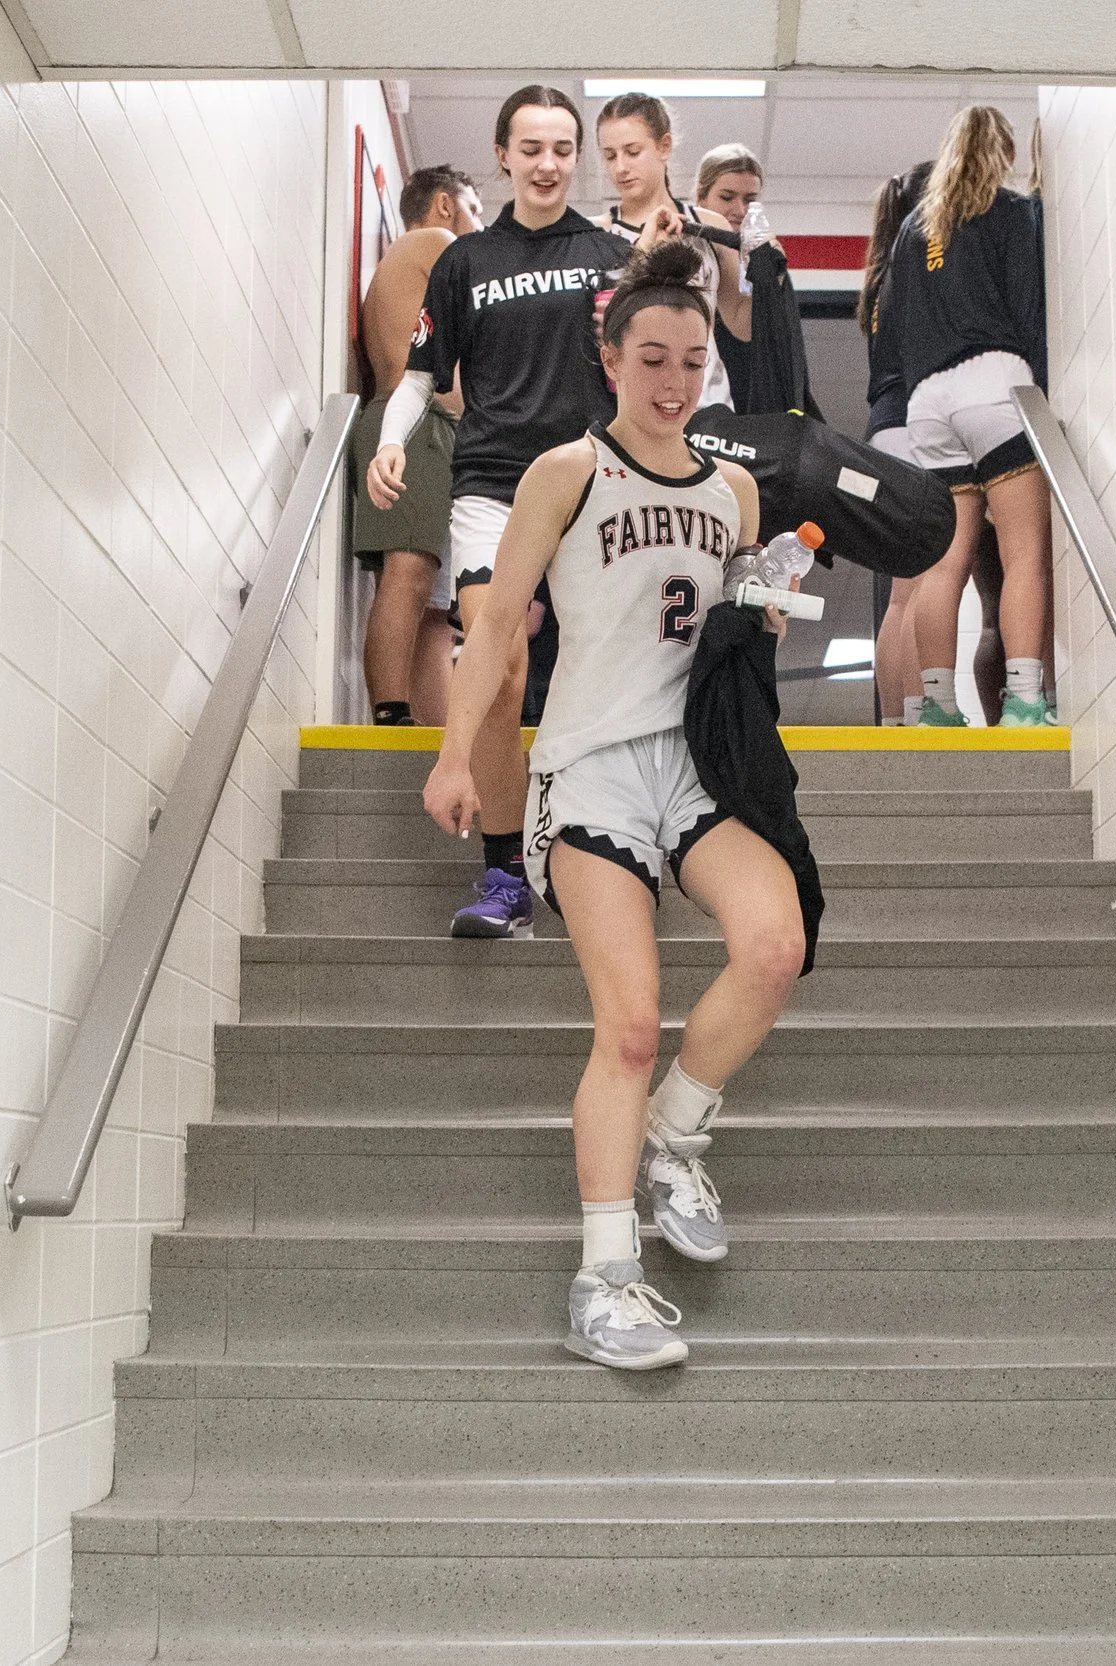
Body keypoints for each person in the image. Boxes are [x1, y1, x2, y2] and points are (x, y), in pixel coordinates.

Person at [422, 240, 805, 1372]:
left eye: (691, 360)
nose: (673, 381)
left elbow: (736, 629)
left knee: (774, 945)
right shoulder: (565, 471)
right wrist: (454, 756)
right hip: (588, 765)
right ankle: (603, 1279)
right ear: (611, 358)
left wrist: (766, 603)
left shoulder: (735, 490)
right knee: (630, 1025)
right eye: (652, 359)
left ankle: (676, 1135)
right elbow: (497, 624)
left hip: (696, 765)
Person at [368, 85, 631, 939]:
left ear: (576, 157)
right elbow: (419, 377)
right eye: (531, 148)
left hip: (590, 483)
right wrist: (391, 442)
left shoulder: (611, 255)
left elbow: (655, 371)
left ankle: (613, 851)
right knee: (500, 667)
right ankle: (506, 874)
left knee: (607, 675)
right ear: (503, 155)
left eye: (562, 149)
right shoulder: (464, 261)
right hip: (489, 486)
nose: (547, 164)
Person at [882, 106, 1054, 727]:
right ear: (1003, 153)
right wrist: (1044, 390)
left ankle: (936, 705)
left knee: (944, 563)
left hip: (927, 403)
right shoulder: (1013, 212)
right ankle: (1024, 701)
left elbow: (896, 327)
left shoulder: (912, 230)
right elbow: (1030, 309)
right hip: (994, 385)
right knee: (1024, 553)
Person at [353, 163, 481, 725]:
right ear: (446, 205)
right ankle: (390, 713)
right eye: (475, 209)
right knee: (409, 571)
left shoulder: (407, 266)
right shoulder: (435, 241)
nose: (480, 225)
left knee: (434, 606)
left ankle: (431, 733)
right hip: (416, 427)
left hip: (436, 432)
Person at [596, 93, 748, 415]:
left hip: (705, 407)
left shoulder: (710, 226)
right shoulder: (594, 233)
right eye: (610, 156)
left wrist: (766, 274)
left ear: (664, 146)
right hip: (629, 411)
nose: (620, 167)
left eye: (632, 152)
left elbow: (741, 323)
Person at [861, 160, 932, 723]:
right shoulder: (920, 269)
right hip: (913, 425)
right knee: (922, 585)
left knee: (901, 593)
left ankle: (894, 719)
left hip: (883, 431)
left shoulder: (881, 276)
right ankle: (915, 715)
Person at [694, 142, 768, 413]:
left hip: (738, 403)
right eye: (727, 197)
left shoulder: (763, 260)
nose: (739, 210)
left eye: (750, 200)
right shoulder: (686, 249)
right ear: (701, 198)